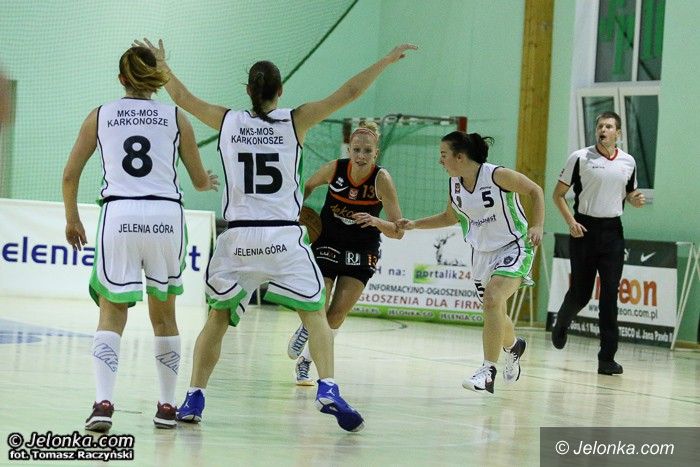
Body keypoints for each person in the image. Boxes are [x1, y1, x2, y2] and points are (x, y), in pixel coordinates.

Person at [135, 38, 416, 432]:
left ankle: (194, 396)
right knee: (315, 315)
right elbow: (350, 92)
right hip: (283, 237)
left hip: (238, 238)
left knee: (217, 319)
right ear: (280, 91)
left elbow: (182, 97)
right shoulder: (295, 120)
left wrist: (163, 64)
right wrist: (384, 60)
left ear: (248, 90)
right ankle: (328, 387)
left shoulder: (228, 121)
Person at [62, 46, 218, 432]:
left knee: (112, 313)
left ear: (121, 79)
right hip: (166, 216)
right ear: (157, 79)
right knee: (164, 318)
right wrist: (207, 181)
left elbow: (70, 174)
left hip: (120, 214)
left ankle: (103, 403)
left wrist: (72, 218)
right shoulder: (177, 117)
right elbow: (198, 180)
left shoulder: (100, 115)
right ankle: (166, 406)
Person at [396, 131, 544, 394]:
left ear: (460, 157)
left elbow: (535, 190)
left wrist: (537, 225)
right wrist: (415, 224)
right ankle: (514, 346)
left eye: (443, 155)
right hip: (482, 254)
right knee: (494, 309)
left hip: (515, 245)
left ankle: (487, 371)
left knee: (492, 298)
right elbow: (449, 217)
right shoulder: (455, 184)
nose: (440, 161)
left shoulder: (497, 175)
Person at [286, 121, 404, 385]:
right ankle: (307, 326)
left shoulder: (382, 180)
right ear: (349, 149)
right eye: (356, 150)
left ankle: (306, 361)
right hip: (328, 240)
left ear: (376, 153)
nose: (361, 155)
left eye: (367, 151)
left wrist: (376, 221)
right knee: (319, 301)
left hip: (362, 248)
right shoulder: (335, 168)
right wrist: (293, 211)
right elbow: (307, 186)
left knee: (336, 315)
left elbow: (398, 231)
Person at [551, 111, 645, 375]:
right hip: (583, 229)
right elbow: (558, 195)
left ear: (618, 133)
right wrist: (570, 221)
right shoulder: (580, 158)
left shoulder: (628, 161)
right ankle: (563, 321)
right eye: (600, 126)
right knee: (581, 293)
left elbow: (629, 193)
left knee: (610, 294)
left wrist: (635, 200)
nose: (603, 130)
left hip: (613, 232)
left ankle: (607, 358)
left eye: (609, 126)